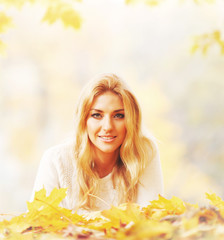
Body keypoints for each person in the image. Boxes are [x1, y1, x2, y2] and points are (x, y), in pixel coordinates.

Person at [31, 73, 163, 212]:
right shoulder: (55, 160)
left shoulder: (143, 152)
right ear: (84, 120)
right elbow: (39, 226)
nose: (107, 127)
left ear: (131, 120)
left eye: (118, 116)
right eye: (97, 115)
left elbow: (150, 219)